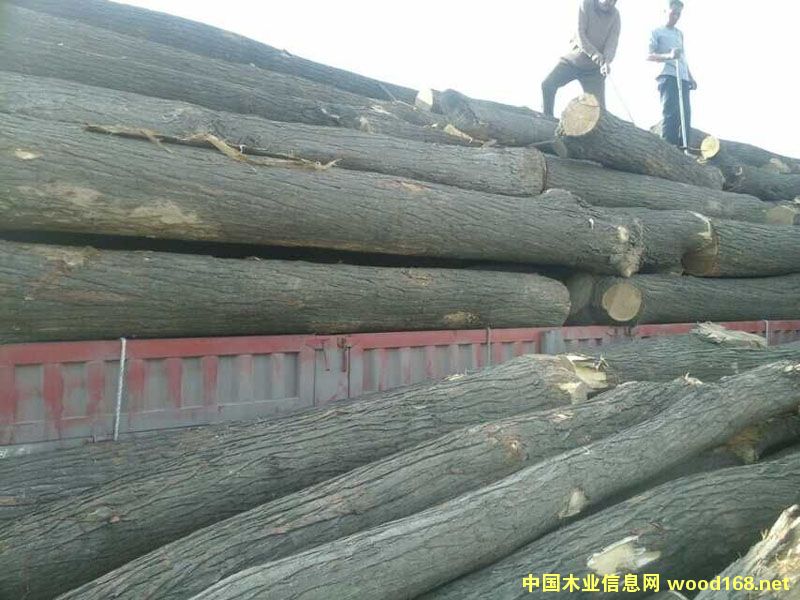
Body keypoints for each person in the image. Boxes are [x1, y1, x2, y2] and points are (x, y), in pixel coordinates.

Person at [541, 0, 621, 118]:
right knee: (547, 84)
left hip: (594, 71)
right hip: (573, 62)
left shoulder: (615, 15)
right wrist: (595, 55)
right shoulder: (586, 4)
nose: (608, 2)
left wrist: (607, 61)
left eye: (612, 1)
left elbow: (612, 43)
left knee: (599, 113)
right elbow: (580, 34)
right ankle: (547, 118)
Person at [648, 0, 697, 149]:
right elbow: (649, 55)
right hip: (667, 75)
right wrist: (668, 56)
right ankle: (668, 148)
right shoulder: (656, 32)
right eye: (673, 13)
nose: (675, 16)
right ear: (665, 11)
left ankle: (683, 149)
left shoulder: (679, 34)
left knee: (685, 115)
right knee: (671, 113)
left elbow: (683, 58)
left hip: (682, 77)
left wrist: (690, 77)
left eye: (678, 14)